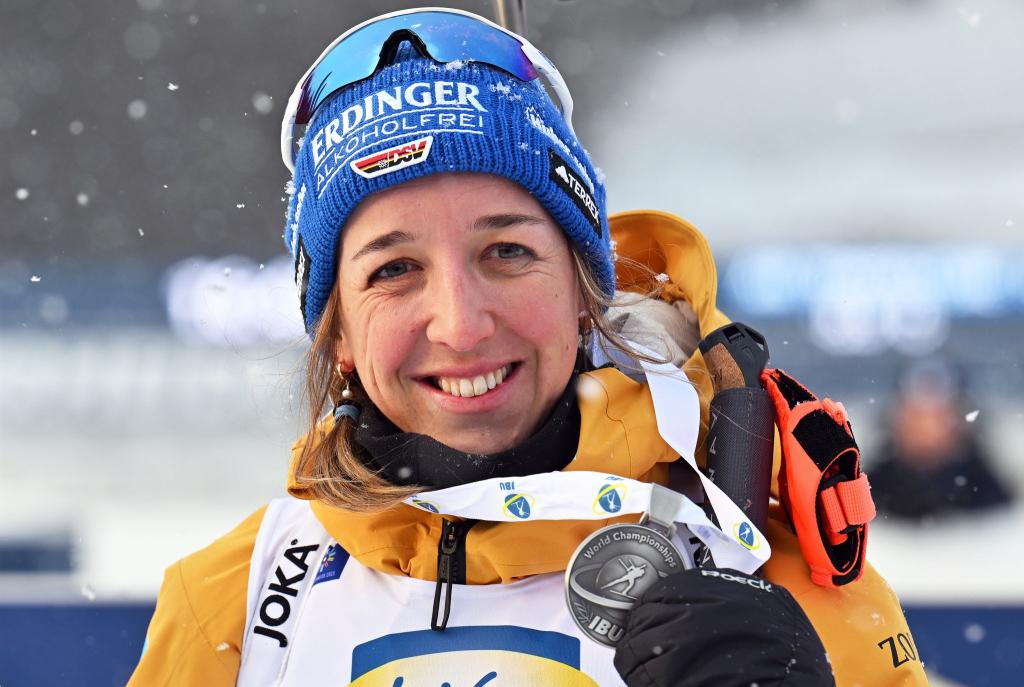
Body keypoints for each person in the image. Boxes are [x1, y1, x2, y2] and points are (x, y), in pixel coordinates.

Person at [129, 8, 927, 686]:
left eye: (507, 251)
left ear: (585, 287)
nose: (462, 324)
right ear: (337, 330)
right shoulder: (234, 603)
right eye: (395, 269)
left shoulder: (774, 583)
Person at [870, 357, 1012, 520]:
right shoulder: (869, 490)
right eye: (917, 415)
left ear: (960, 420)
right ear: (895, 419)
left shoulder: (988, 491)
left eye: (938, 416)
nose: (927, 428)